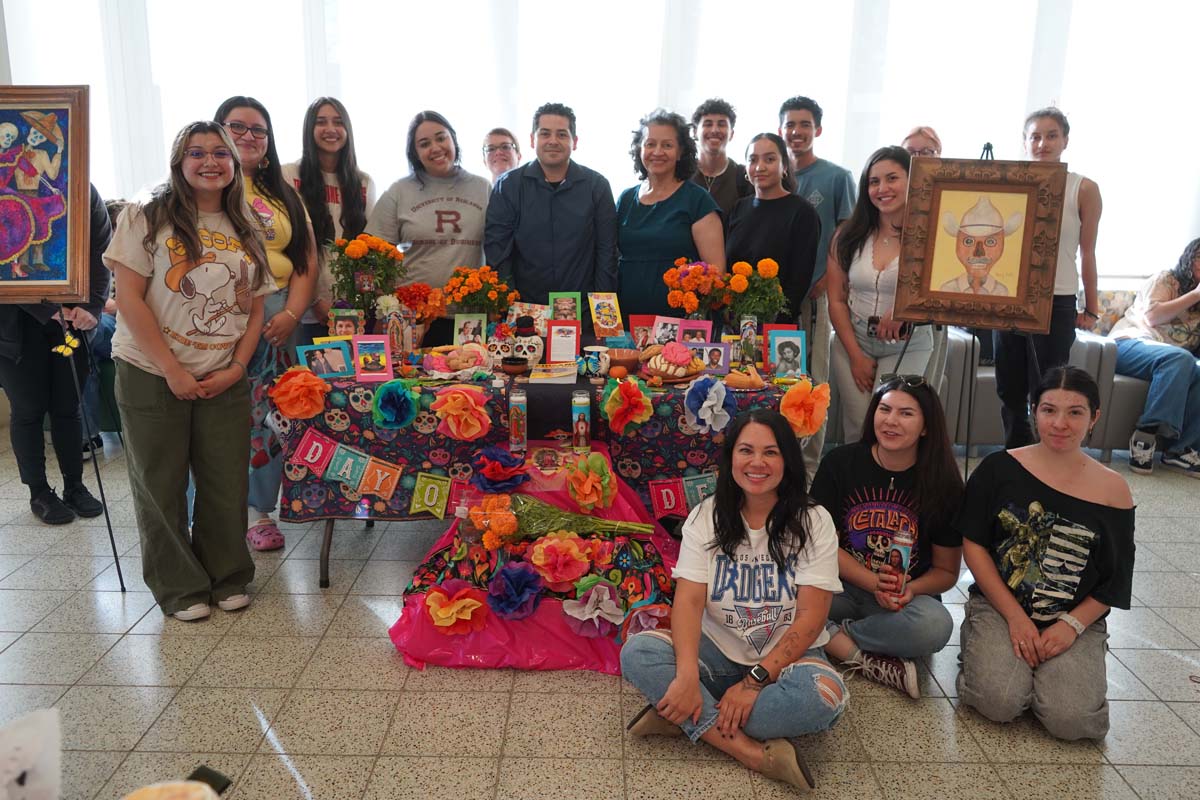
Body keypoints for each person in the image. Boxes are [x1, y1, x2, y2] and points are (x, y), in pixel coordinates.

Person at [620, 409, 845, 792]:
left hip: (787, 662)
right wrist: (687, 676)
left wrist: (755, 682)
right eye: (746, 451)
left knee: (821, 699)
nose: (757, 463)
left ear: (788, 461)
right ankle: (751, 753)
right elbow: (688, 603)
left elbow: (811, 618)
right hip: (716, 655)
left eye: (770, 452)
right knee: (637, 652)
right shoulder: (706, 516)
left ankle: (684, 714)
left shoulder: (814, 520)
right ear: (730, 458)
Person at [104, 120, 273, 620]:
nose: (209, 162)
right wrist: (171, 369)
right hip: (150, 371)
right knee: (160, 485)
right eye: (196, 153)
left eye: (220, 153)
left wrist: (238, 367)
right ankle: (180, 588)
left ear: (233, 163)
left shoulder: (246, 222)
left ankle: (228, 576)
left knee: (226, 482)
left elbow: (255, 306)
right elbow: (129, 299)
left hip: (223, 374)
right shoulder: (145, 215)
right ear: (179, 162)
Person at [957, 366, 1133, 740]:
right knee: (998, 701)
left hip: (1074, 616)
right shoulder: (998, 468)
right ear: (1033, 411)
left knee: (1072, 721)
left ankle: (1047, 677)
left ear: (1094, 418)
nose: (1060, 423)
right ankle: (997, 657)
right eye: (1049, 410)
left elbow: (1116, 579)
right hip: (1000, 606)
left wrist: (1072, 626)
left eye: (1075, 412)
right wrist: (1014, 617)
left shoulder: (1113, 489)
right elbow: (974, 544)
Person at [810, 376, 965, 698]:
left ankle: (834, 640)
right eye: (885, 409)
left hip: (901, 603)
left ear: (926, 426)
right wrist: (871, 582)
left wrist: (911, 589)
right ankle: (863, 654)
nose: (891, 421)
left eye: (906, 413)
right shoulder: (840, 463)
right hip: (838, 586)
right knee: (782, 596)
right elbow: (820, 546)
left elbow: (947, 572)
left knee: (935, 626)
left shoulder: (945, 483)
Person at [215, 96, 318, 552]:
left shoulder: (284, 194)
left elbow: (306, 259)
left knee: (269, 416)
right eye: (236, 126)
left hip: (277, 315)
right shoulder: (203, 186)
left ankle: (259, 512)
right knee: (217, 416)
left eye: (259, 129)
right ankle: (214, 511)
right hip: (216, 316)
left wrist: (291, 313)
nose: (248, 136)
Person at [0, 185, 110, 524]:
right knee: (29, 408)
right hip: (15, 324)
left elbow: (101, 250)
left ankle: (74, 486)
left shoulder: (78, 180)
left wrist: (93, 306)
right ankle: (39, 492)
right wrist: (48, 309)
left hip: (73, 317)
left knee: (67, 404)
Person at [994, 108, 1103, 449]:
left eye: (1051, 136)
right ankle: (1014, 456)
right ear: (1025, 141)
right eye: (1035, 137)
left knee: (1049, 388)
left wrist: (1091, 307)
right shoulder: (1008, 184)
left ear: (1065, 140)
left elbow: (1088, 252)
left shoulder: (1083, 189)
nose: (1043, 144)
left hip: (1057, 300)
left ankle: (1048, 460)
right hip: (1008, 298)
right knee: (1009, 389)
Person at [827, 146, 936, 443]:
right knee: (858, 426)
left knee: (892, 426)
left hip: (908, 344)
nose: (882, 188)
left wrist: (903, 309)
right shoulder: (847, 235)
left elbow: (943, 291)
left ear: (912, 180)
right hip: (853, 340)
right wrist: (856, 356)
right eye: (874, 182)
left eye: (892, 178)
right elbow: (836, 299)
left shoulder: (930, 235)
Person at [366, 111, 490, 346]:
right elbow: (374, 255)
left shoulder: (483, 188)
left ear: (453, 139)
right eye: (424, 144)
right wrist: (386, 308)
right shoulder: (398, 191)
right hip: (414, 319)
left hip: (468, 319)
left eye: (441, 138)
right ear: (415, 153)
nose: (435, 148)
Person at [778, 96, 856, 467]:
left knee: (814, 376)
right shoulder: (772, 175)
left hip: (816, 294)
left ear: (818, 130)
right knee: (781, 376)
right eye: (790, 125)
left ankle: (810, 465)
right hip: (777, 299)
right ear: (781, 130)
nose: (797, 132)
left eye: (805, 125)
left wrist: (827, 278)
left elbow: (848, 235)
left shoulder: (837, 177)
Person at [485, 103, 617, 306]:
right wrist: (508, 305)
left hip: (582, 309)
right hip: (525, 309)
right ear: (532, 140)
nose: (553, 141)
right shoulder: (508, 186)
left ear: (574, 141)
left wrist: (600, 308)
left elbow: (607, 252)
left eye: (562, 134)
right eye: (545, 134)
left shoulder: (597, 186)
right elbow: (499, 254)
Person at [282, 97, 376, 341]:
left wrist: (362, 302)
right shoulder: (289, 175)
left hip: (353, 313)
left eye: (338, 122)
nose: (330, 129)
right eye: (321, 122)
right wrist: (314, 300)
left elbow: (370, 247)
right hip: (305, 311)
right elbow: (290, 244)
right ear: (309, 129)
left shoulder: (364, 182)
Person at [617, 109, 724, 317]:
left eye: (667, 145)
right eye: (650, 144)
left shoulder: (698, 200)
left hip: (680, 321)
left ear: (681, 152)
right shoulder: (626, 199)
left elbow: (716, 275)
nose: (657, 152)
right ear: (640, 149)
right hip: (627, 320)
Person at [1110, 238, 1200, 476]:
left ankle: (1180, 451)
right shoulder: (1166, 279)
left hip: (1175, 361)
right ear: (1189, 259)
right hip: (1130, 344)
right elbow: (1152, 317)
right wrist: (1196, 294)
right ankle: (1145, 436)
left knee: (1189, 363)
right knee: (1180, 359)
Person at [726, 133, 820, 324]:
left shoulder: (802, 212)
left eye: (769, 159)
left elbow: (799, 280)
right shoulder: (739, 208)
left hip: (778, 322)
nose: (759, 167)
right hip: (735, 321)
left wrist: (777, 323)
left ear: (784, 166)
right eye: (753, 160)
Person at [689, 98, 752, 222]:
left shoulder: (744, 177)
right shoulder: (681, 174)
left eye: (722, 124)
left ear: (731, 134)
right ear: (695, 132)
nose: (715, 130)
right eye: (708, 124)